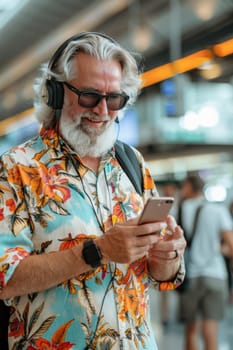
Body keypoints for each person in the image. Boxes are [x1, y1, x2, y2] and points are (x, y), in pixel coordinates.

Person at [0, 31, 186, 350]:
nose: (102, 111)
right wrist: (96, 251)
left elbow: (159, 274)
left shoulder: (133, 163)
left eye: (114, 98)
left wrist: (166, 257)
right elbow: (5, 278)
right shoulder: (17, 167)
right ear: (55, 94)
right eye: (89, 96)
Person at [178, 174, 233, 350]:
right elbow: (231, 245)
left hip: (190, 275)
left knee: (191, 328)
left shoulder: (182, 208)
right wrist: (218, 249)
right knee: (211, 328)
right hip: (216, 275)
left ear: (189, 187)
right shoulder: (218, 210)